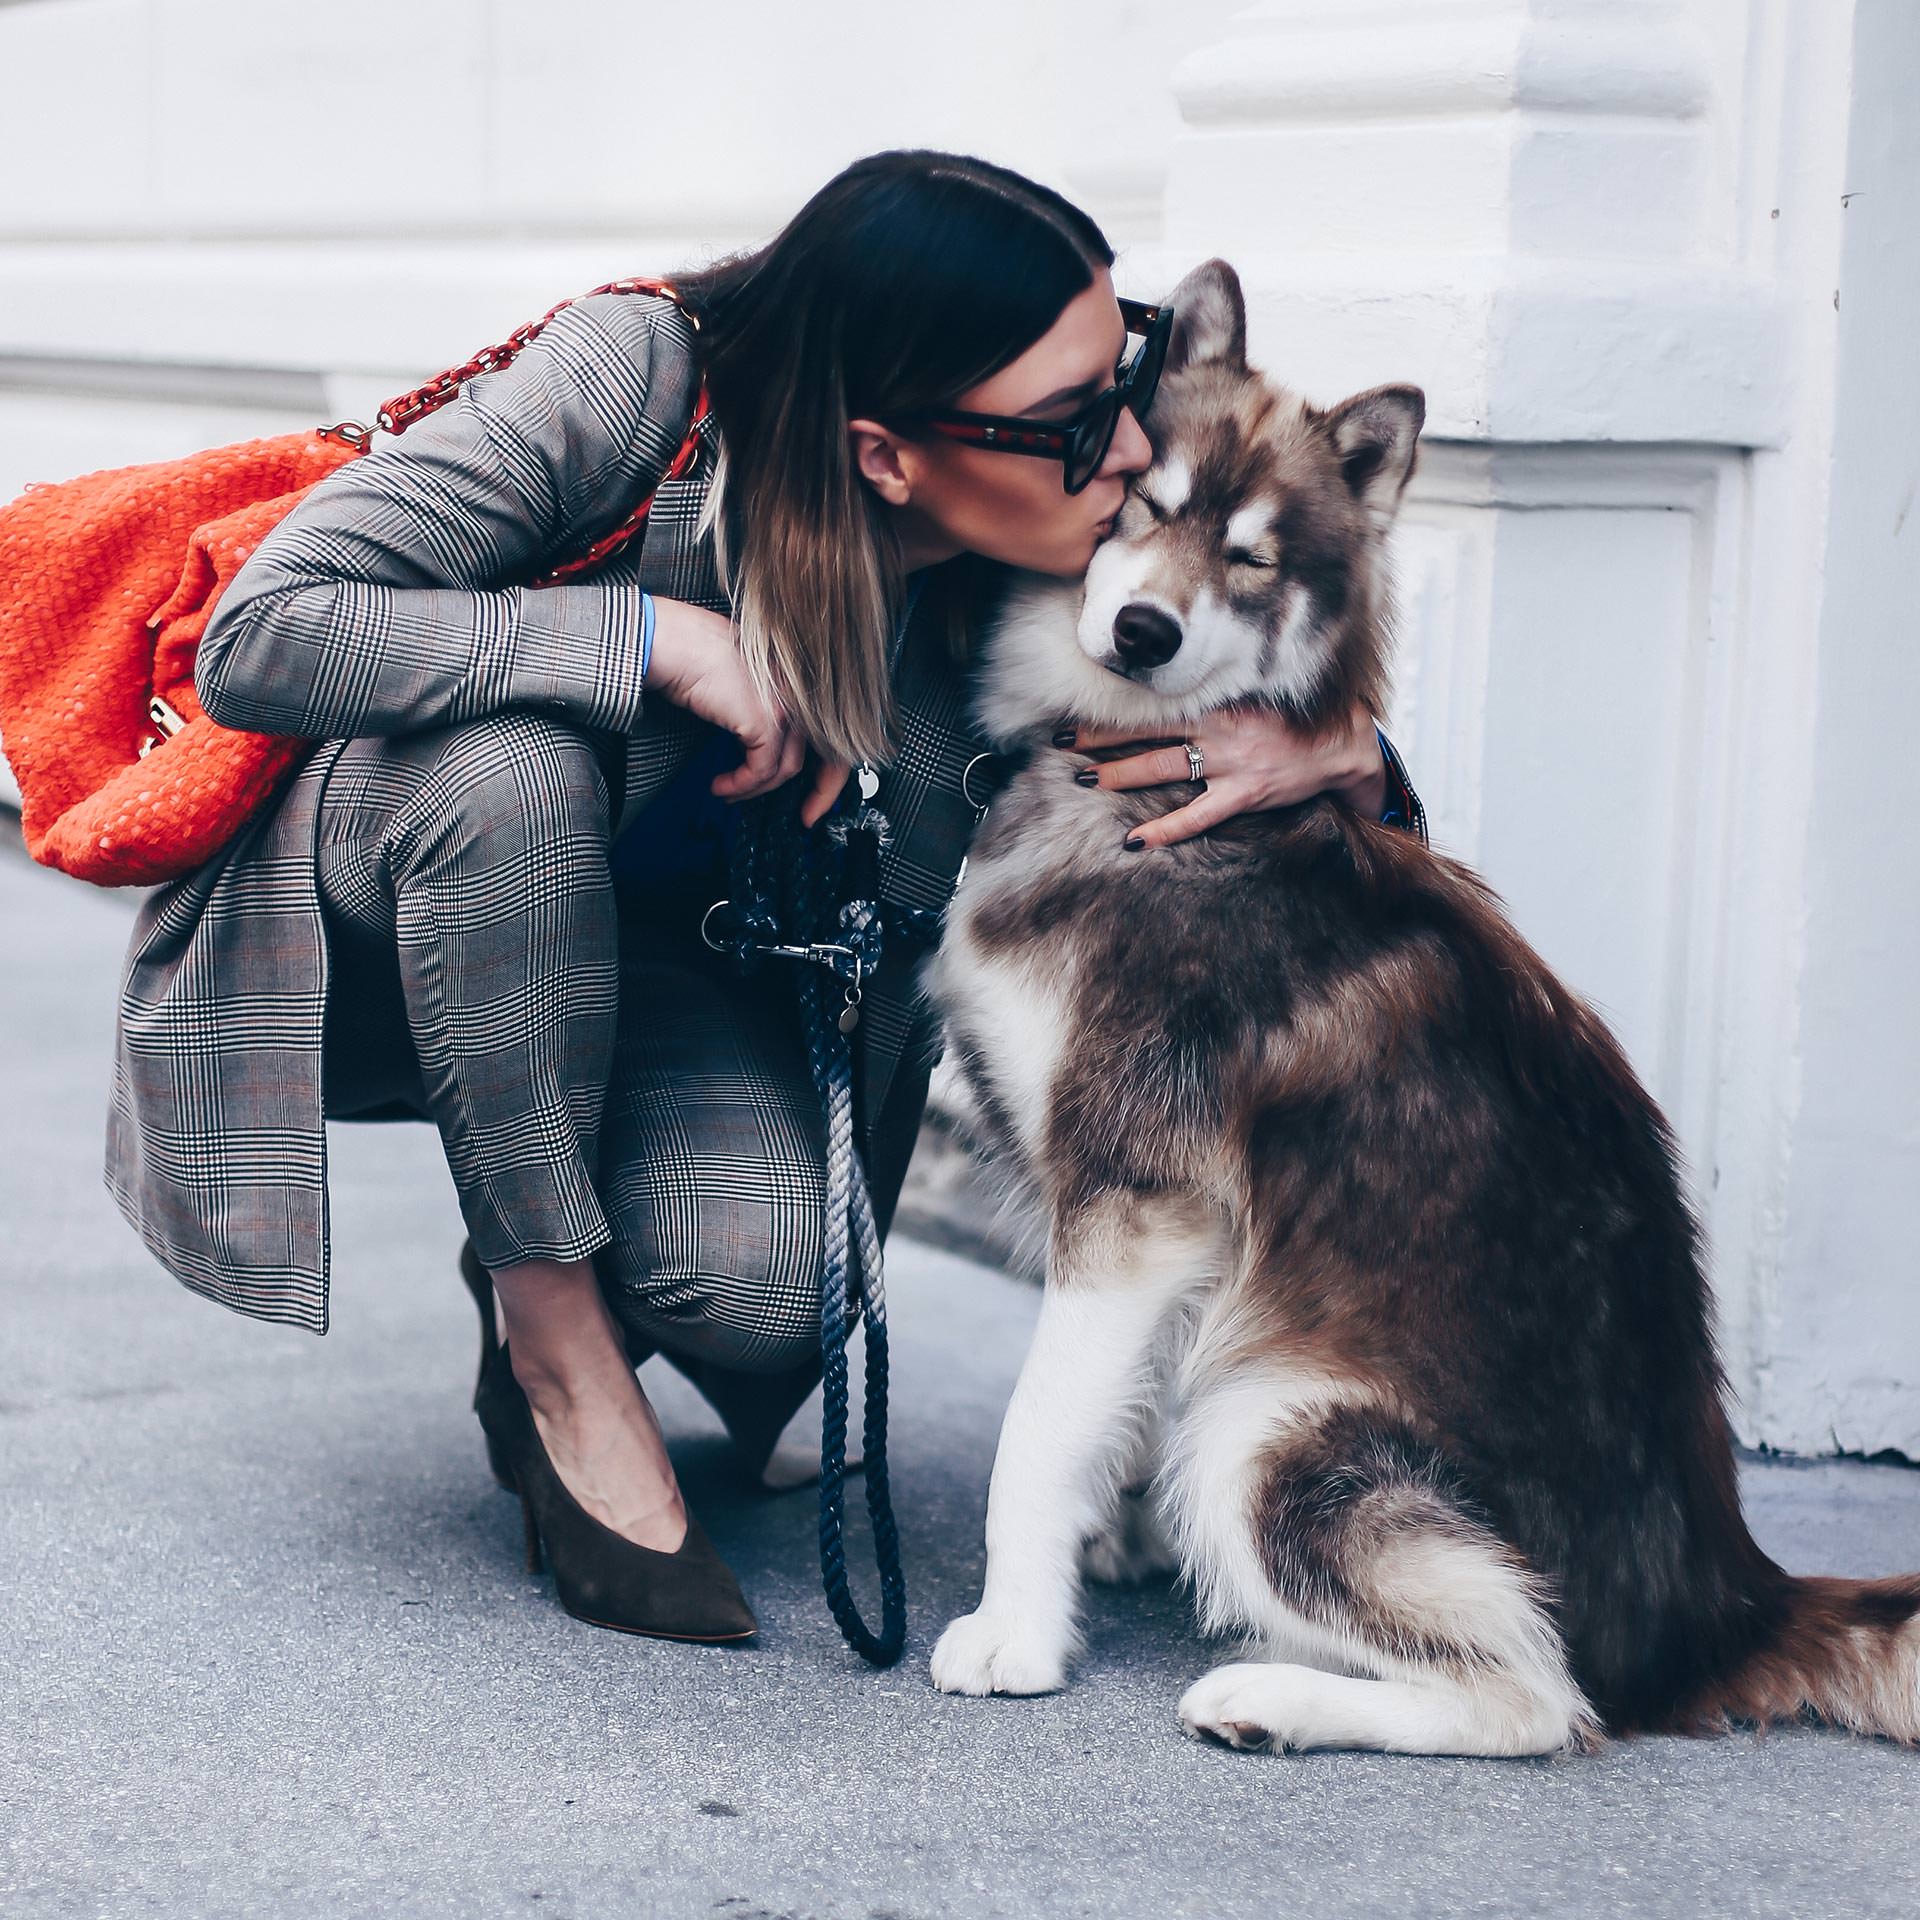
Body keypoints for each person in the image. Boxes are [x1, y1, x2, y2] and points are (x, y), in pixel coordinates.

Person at [107, 149, 1425, 1643]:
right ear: (885, 454)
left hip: (677, 968)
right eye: (1076, 424)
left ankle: (558, 1201)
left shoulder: (1041, 531)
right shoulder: (632, 384)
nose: (1129, 448)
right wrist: (653, 643)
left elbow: (1251, 617)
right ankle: (549, 1327)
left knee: (767, 1300)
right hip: (396, 906)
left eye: (1117, 373)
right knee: (510, 773)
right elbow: (267, 632)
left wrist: (1346, 749)